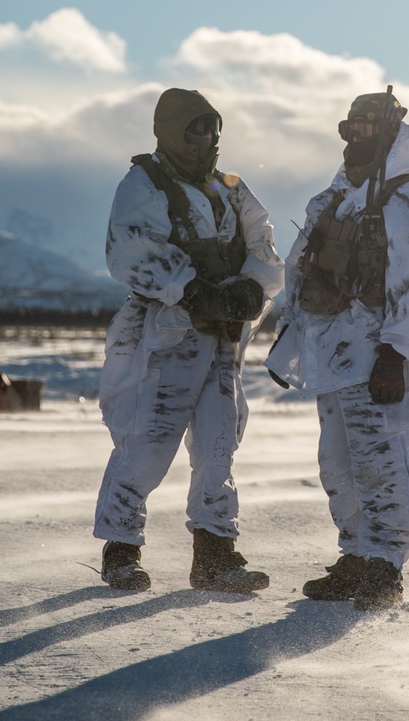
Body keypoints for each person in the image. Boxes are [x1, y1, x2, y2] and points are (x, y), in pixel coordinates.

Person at [94, 87, 283, 593]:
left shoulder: (231, 187)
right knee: (147, 444)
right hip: (164, 334)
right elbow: (129, 248)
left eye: (212, 128)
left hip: (222, 340)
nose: (205, 138)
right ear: (169, 130)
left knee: (219, 445)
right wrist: (189, 288)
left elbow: (263, 244)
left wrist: (251, 287)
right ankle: (120, 549)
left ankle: (215, 555)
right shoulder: (145, 182)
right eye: (195, 128)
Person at [265, 89, 409, 610]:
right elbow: (303, 270)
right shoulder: (339, 198)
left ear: (390, 132)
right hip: (330, 354)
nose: (357, 136)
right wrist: (291, 337)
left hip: (375, 358)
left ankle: (384, 565)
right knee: (338, 465)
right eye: (352, 127)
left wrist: (397, 352)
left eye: (369, 127)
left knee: (382, 461)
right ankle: (356, 556)